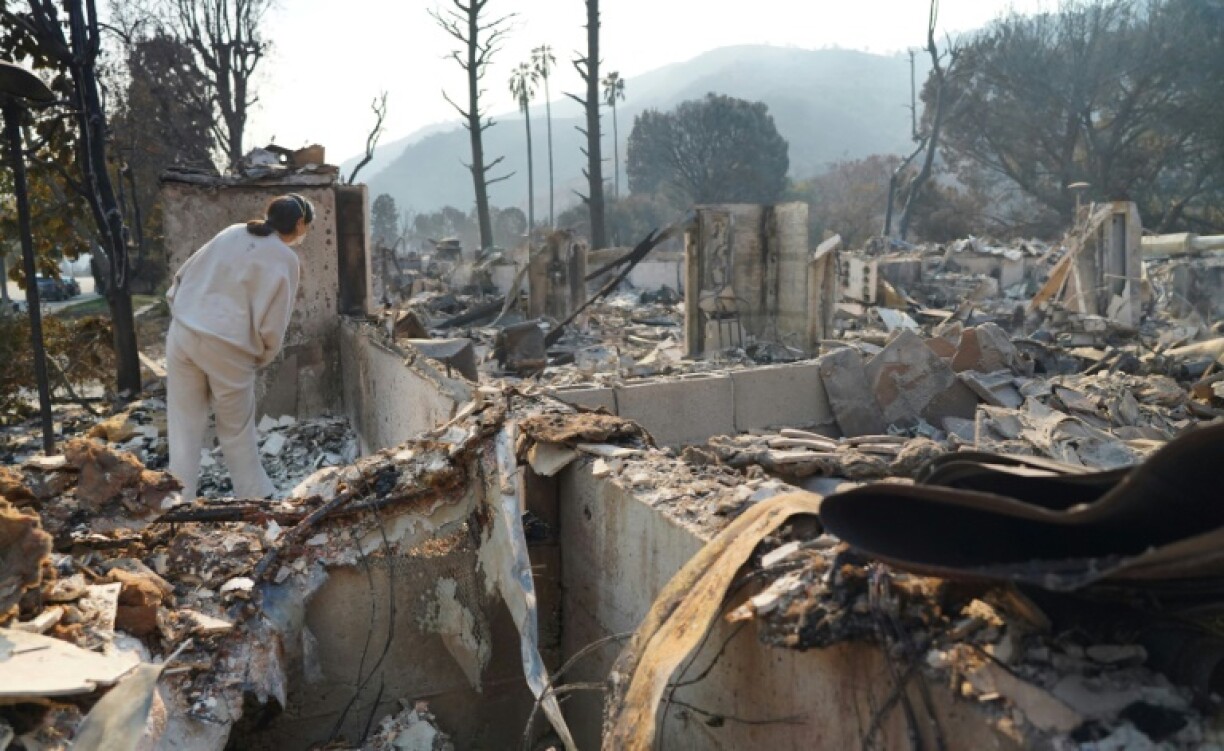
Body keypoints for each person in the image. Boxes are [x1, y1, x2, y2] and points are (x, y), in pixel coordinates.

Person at [165, 194, 312, 500]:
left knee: (184, 427)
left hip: (183, 332)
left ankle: (176, 503)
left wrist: (183, 314)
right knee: (236, 434)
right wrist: (259, 358)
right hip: (229, 348)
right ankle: (256, 501)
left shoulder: (231, 232)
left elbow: (182, 277)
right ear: (299, 224)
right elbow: (273, 326)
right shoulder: (286, 259)